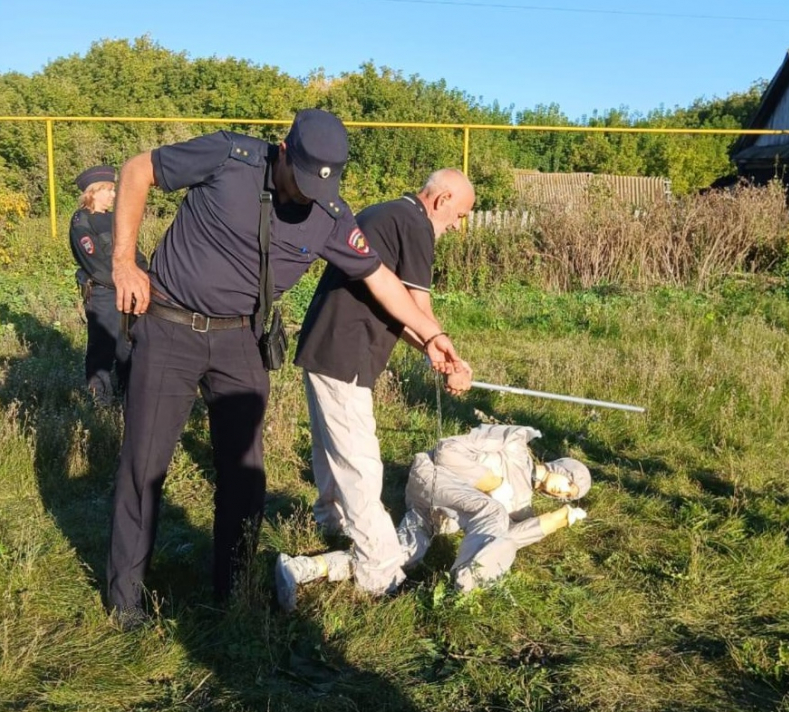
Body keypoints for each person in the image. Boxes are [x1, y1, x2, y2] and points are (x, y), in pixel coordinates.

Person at [105, 109, 464, 630]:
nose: (308, 195)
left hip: (239, 342)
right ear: (283, 149)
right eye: (303, 178)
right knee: (145, 466)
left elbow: (381, 279)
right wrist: (123, 261)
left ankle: (233, 589)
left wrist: (432, 336)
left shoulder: (332, 214)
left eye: (324, 183)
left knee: (245, 477)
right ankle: (126, 600)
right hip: (170, 327)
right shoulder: (228, 157)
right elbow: (138, 169)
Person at [290, 169, 476, 599]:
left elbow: (394, 306)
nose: (456, 224)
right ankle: (380, 572)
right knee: (360, 460)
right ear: (441, 198)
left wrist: (434, 351)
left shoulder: (387, 212)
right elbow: (417, 306)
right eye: (459, 214)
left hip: (324, 344)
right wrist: (448, 355)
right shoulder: (415, 224)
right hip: (346, 351)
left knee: (329, 442)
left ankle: (330, 519)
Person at [275, 424, 591, 611]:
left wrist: (556, 520)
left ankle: (301, 568)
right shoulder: (515, 444)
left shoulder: (523, 504)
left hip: (435, 516)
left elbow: (507, 541)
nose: (564, 494)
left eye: (569, 497)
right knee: (492, 509)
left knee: (399, 554)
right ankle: (464, 585)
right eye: (569, 486)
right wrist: (494, 483)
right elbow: (447, 450)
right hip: (432, 478)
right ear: (563, 467)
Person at [68, 165, 148, 405]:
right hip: (103, 293)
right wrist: (125, 280)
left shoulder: (114, 219)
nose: (114, 195)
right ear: (94, 191)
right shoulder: (81, 220)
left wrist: (143, 277)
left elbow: (134, 253)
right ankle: (99, 400)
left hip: (127, 292)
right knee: (102, 346)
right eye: (109, 190)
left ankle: (127, 396)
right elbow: (94, 263)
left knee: (127, 345)